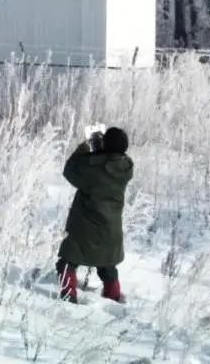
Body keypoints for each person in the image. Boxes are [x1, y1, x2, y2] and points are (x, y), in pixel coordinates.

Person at [56, 126, 133, 304]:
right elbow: (109, 163)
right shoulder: (126, 168)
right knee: (107, 264)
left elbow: (70, 171)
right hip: (111, 230)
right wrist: (101, 152)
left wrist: (85, 148)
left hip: (85, 228)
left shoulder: (94, 168)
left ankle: (69, 296)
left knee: (67, 262)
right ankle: (114, 297)